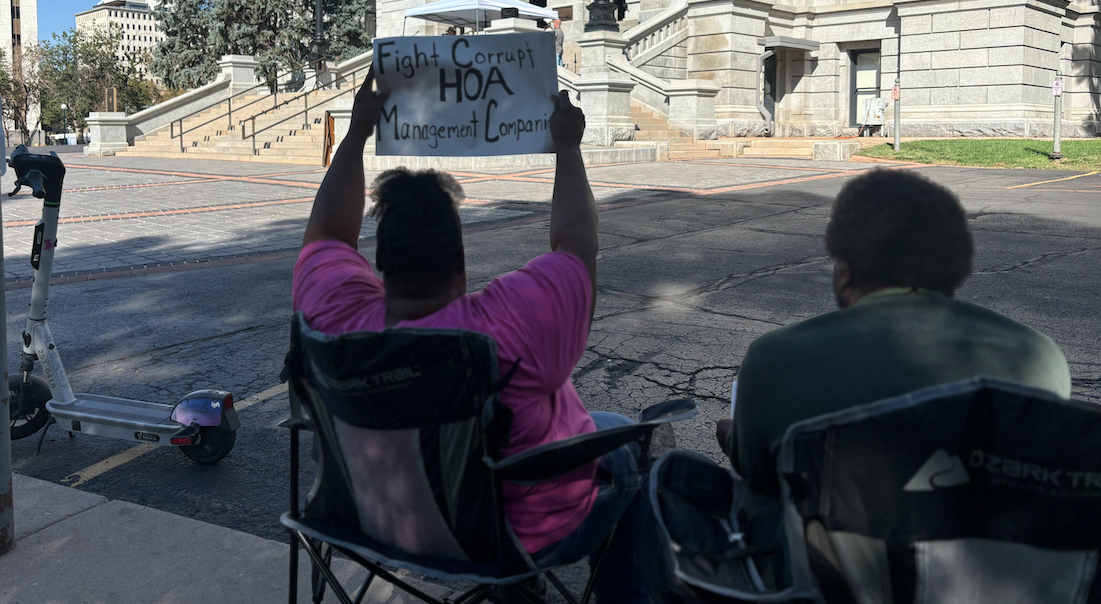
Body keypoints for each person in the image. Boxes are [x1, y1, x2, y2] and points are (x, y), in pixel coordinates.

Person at [293, 70, 652, 604]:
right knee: (633, 442)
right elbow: (577, 244)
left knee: (571, 436)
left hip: (378, 520)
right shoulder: (510, 322)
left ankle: (516, 592)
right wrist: (568, 148)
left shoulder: (334, 315)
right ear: (460, 263)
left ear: (379, 265)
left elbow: (327, 232)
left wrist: (356, 132)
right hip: (510, 535)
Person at [716, 168, 1071, 498]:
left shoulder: (773, 357)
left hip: (825, 543)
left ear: (846, 272)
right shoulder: (1039, 356)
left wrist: (730, 435)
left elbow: (759, 475)